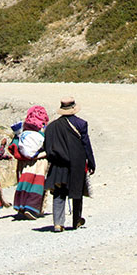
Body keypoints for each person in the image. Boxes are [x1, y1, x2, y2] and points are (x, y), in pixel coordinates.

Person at [39, 97, 94, 231]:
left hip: (58, 164)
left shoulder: (51, 127)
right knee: (77, 191)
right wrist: (91, 162)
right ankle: (76, 221)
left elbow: (46, 146)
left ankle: (58, 223)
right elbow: (86, 144)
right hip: (76, 163)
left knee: (59, 192)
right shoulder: (81, 124)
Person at [10, 104, 50, 220]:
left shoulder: (23, 132)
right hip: (39, 161)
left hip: (24, 163)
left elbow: (15, 146)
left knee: (24, 182)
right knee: (37, 184)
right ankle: (32, 208)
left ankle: (21, 207)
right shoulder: (42, 130)